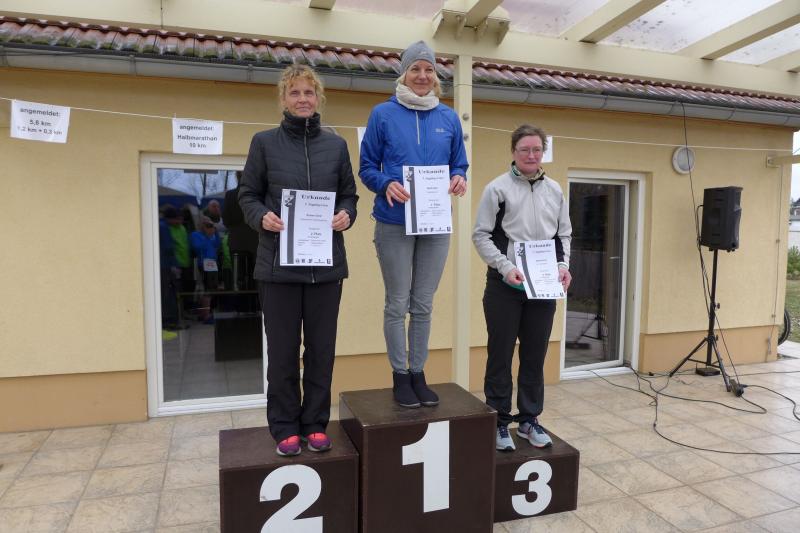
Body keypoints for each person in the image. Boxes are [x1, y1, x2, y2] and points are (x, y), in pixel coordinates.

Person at [239, 64, 358, 456]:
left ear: (318, 97)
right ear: (283, 99)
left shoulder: (336, 146)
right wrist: (261, 217)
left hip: (326, 267)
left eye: (309, 92)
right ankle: (285, 426)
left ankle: (315, 423)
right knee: (283, 353)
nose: (303, 99)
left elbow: (349, 195)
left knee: (321, 351)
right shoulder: (263, 143)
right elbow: (247, 195)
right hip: (278, 269)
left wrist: (346, 214)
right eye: (295, 92)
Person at [359, 40, 468, 408]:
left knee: (422, 304)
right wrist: (384, 183)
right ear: (403, 73)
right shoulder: (382, 114)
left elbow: (459, 163)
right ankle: (400, 375)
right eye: (415, 69)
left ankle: (418, 373)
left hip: (435, 224)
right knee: (397, 302)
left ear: (436, 77)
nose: (422, 76)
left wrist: (459, 177)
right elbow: (366, 167)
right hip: (394, 222)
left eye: (428, 70)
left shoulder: (448, 118)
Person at [472, 124, 572, 451]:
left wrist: (562, 267)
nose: (531, 155)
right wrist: (505, 267)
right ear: (513, 152)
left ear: (543, 152)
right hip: (505, 285)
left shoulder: (555, 190)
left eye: (536, 149)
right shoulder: (497, 189)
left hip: (543, 287)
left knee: (534, 355)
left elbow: (563, 235)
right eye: (524, 149)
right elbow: (481, 235)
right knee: (500, 355)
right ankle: (499, 422)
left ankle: (529, 419)